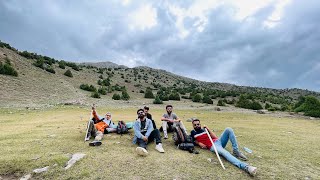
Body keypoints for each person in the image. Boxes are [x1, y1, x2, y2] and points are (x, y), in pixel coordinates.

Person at [190, 119, 257, 176]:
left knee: (228, 129)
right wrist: (198, 143)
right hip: (213, 146)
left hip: (218, 141)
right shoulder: (193, 132)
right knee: (225, 153)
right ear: (193, 126)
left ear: (200, 124)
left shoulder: (204, 130)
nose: (197, 126)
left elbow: (215, 137)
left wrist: (208, 129)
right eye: (195, 125)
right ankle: (246, 167)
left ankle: (236, 151)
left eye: (198, 124)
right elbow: (191, 140)